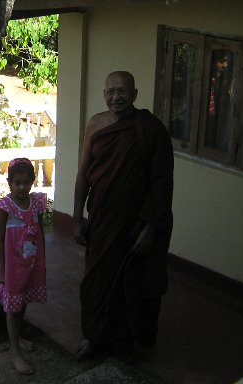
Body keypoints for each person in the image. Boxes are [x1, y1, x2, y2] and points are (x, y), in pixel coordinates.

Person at [73, 71, 174, 362]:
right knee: (97, 281)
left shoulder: (150, 129)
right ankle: (94, 336)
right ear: (104, 94)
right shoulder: (96, 124)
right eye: (111, 92)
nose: (116, 97)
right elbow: (83, 174)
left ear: (135, 94)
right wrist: (77, 218)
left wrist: (150, 227)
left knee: (131, 285)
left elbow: (161, 184)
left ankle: (124, 342)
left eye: (122, 91)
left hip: (134, 224)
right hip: (102, 220)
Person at [0, 157, 47, 375]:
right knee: (13, 308)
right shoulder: (4, 207)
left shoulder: (37, 203)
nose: (22, 187)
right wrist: (2, 270)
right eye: (17, 183)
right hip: (12, 269)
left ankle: (18, 337)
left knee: (22, 303)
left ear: (33, 181)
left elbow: (40, 233)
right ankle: (14, 351)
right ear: (9, 182)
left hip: (31, 265)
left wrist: (42, 261)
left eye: (27, 182)